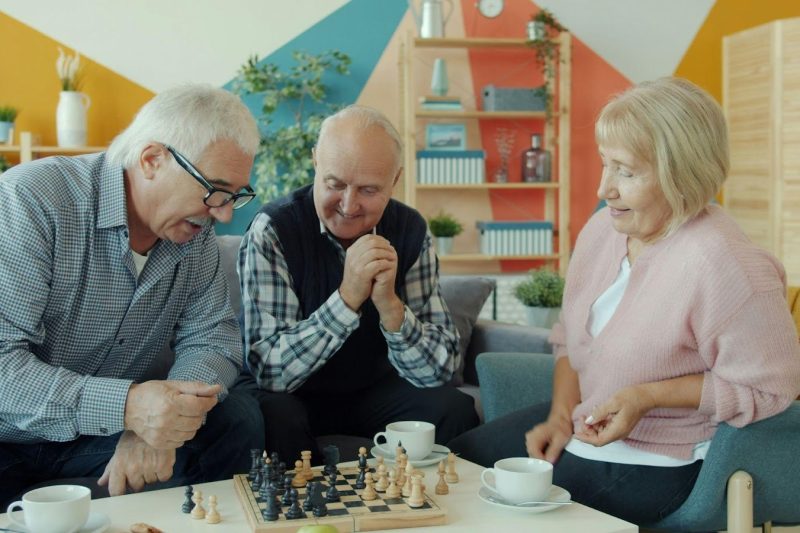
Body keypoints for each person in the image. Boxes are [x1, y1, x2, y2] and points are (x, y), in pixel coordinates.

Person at [448, 77, 800, 525]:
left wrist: (648, 396)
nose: (604, 189)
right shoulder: (604, 230)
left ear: (682, 174)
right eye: (605, 165)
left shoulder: (726, 265)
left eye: (626, 172)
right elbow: (567, 342)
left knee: (507, 515)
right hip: (584, 427)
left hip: (666, 461)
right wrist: (559, 416)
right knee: (456, 470)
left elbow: (770, 389)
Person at [0, 84, 265, 507]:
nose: (225, 212)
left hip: (96, 437)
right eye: (215, 188)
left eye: (234, 194)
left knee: (236, 419)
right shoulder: (31, 201)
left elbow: (213, 338)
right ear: (151, 160)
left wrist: (165, 420)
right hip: (8, 437)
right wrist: (127, 408)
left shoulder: (194, 236)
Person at [237, 104, 479, 462]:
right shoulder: (273, 229)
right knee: (274, 417)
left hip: (370, 389)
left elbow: (439, 371)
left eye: (368, 190)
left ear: (394, 181)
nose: (348, 205)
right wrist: (347, 298)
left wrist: (390, 308)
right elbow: (271, 372)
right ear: (315, 162)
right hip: (289, 393)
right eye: (335, 185)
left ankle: (437, 514)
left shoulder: (410, 231)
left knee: (452, 408)